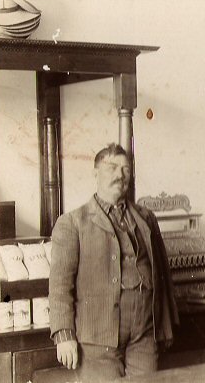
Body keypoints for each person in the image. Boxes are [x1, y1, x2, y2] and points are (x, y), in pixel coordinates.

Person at [49, 144, 178, 382]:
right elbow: (59, 285)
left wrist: (165, 325)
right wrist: (63, 334)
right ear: (95, 173)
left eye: (125, 169)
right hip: (97, 338)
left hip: (144, 333)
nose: (120, 175)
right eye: (112, 168)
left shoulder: (146, 218)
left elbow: (163, 275)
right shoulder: (72, 223)